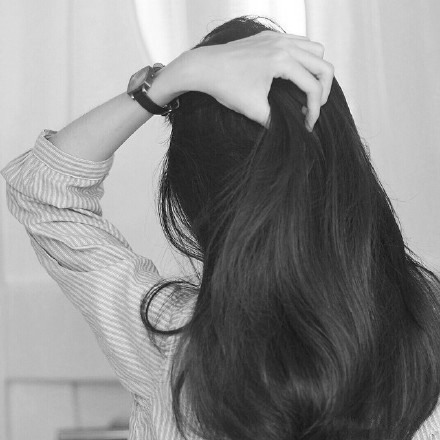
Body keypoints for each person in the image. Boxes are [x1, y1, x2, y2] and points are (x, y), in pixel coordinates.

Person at [2, 15, 440, 440]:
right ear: (345, 163)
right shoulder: (424, 341)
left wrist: (168, 82)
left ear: (194, 195)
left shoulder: (173, 348)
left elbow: (43, 190)